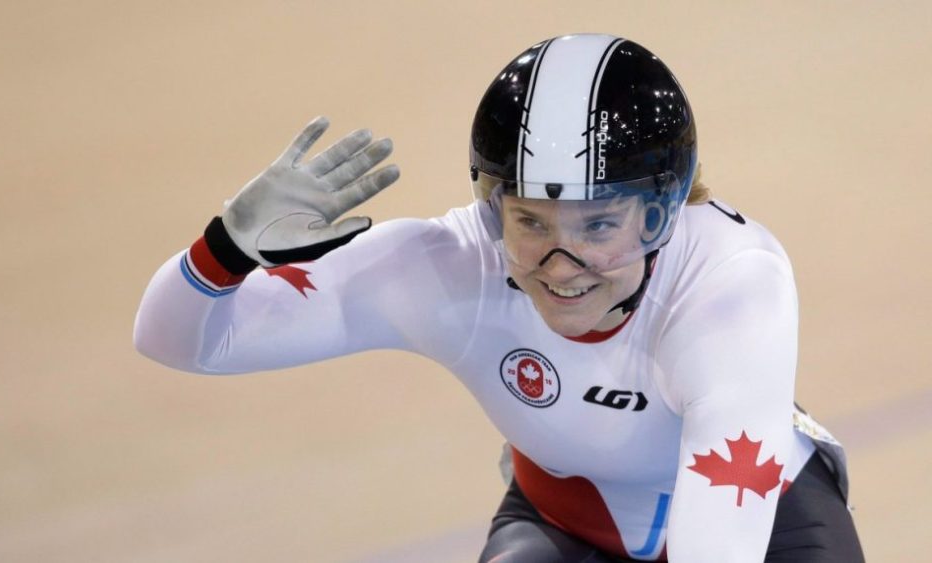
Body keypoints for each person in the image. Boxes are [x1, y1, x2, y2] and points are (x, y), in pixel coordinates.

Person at [134, 33, 864, 562]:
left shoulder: (733, 287)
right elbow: (172, 339)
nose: (561, 263)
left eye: (598, 224)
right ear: (492, 210)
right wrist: (225, 250)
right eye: (530, 222)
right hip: (562, 527)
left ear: (660, 214)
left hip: (767, 528)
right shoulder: (447, 266)